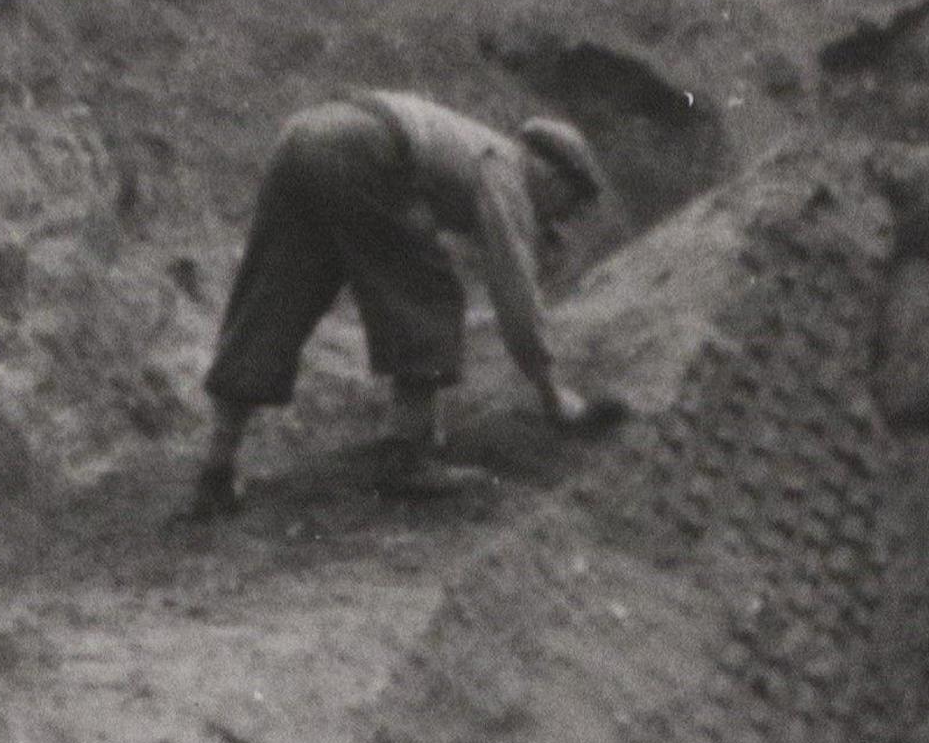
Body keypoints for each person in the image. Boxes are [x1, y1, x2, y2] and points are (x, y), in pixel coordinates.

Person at [185, 91, 618, 523]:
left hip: (304, 134)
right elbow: (515, 295)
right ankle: (411, 457)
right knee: (429, 290)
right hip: (364, 147)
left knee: (274, 295)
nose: (560, 220)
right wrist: (550, 391)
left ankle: (217, 467)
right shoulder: (506, 172)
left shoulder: (479, 150)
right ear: (553, 175)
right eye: (570, 204)